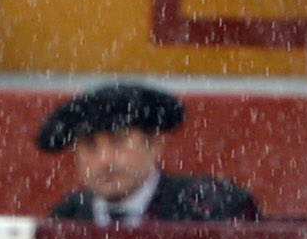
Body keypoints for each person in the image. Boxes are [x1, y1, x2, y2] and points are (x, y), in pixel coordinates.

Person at [38, 82, 261, 224]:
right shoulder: (66, 218)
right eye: (90, 146)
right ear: (75, 158)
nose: (105, 160)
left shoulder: (210, 207)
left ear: (154, 144)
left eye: (118, 141)